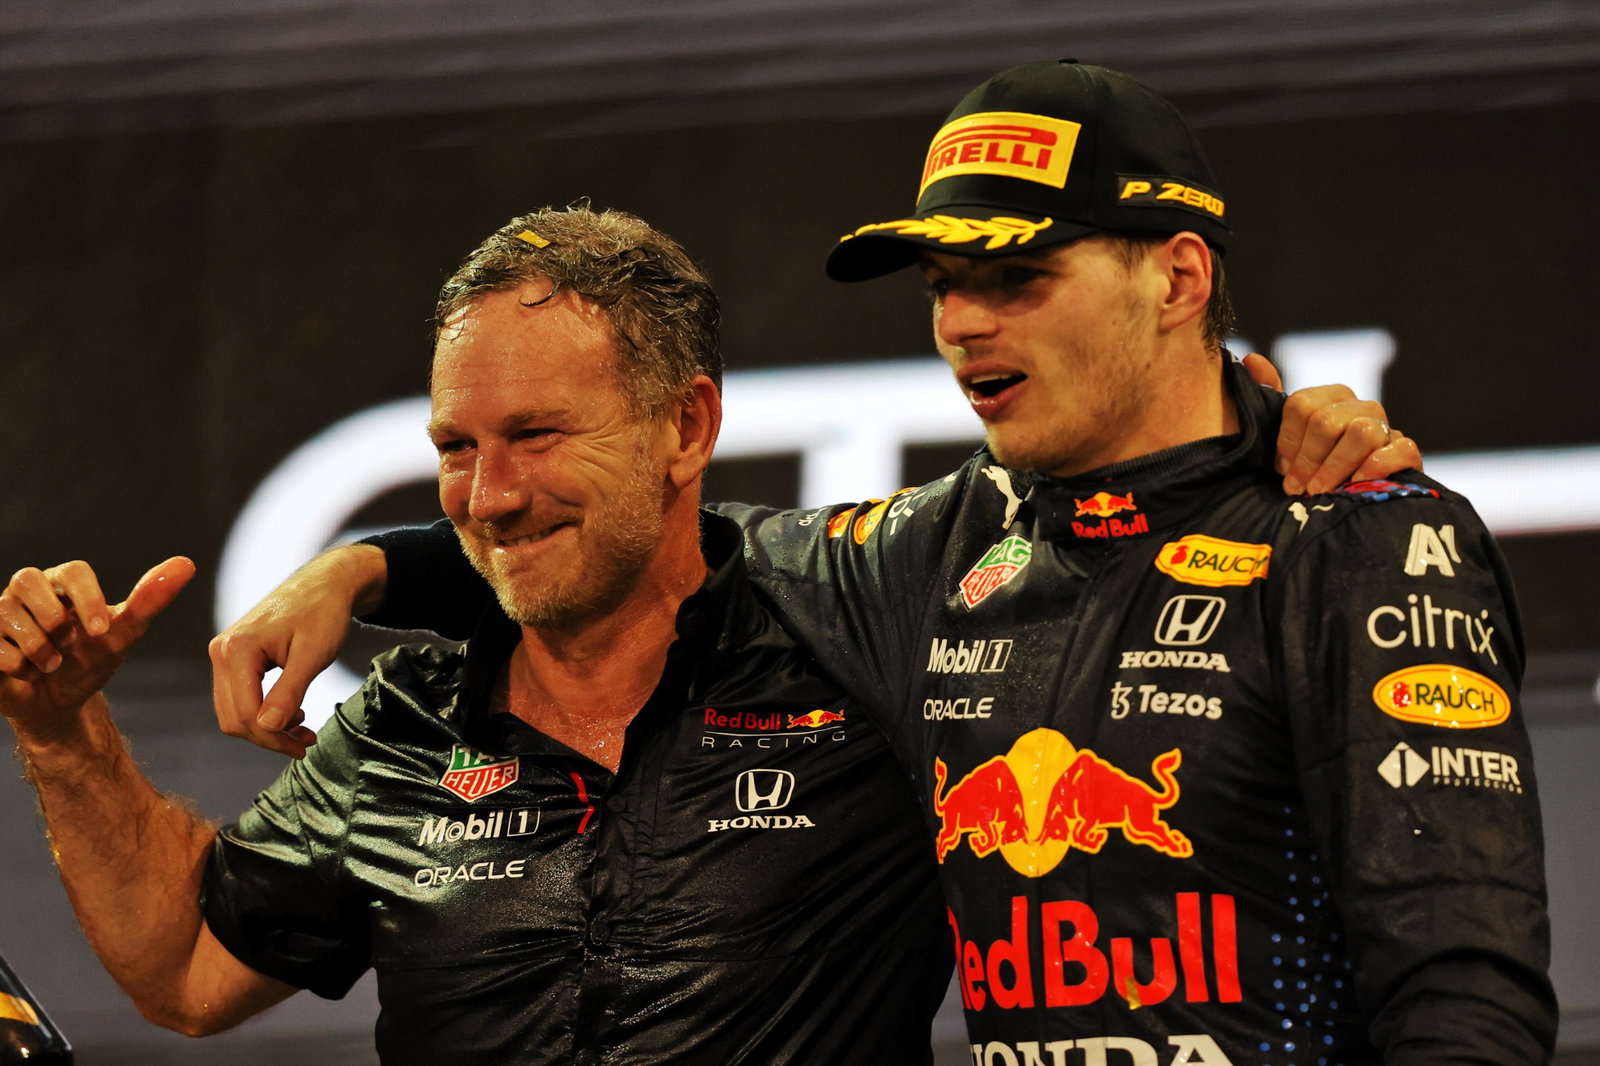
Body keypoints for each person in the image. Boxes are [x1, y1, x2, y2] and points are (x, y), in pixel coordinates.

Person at [202, 62, 1556, 1063]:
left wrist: (1294, 430)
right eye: (938, 284)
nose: (963, 321)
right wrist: (370, 571)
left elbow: (1465, 990)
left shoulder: (1365, 532)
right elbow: (650, 545)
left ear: (1180, 276)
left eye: (1016, 273)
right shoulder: (917, 554)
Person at [0, 208, 957, 1064]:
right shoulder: (402, 725)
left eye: (538, 435)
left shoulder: (853, 657)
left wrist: (370, 565)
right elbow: (185, 970)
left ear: (687, 426)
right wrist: (60, 731)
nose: (489, 496)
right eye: (456, 447)